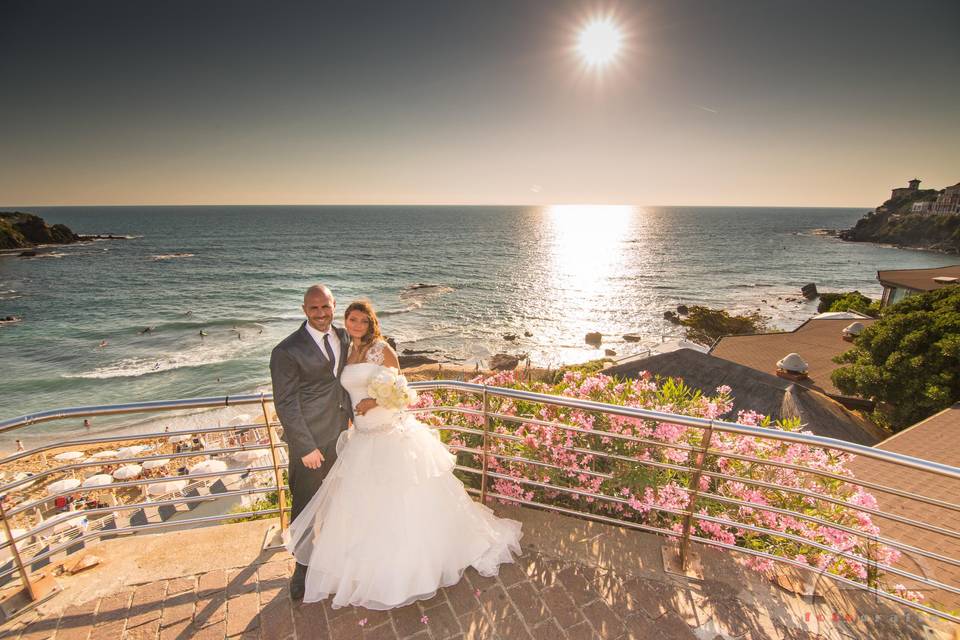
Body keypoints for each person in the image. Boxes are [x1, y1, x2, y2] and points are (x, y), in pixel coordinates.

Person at [284, 300, 521, 610]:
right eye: (351, 319)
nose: (356, 325)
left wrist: (372, 402)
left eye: (362, 321)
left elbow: (401, 394)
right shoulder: (345, 348)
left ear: (371, 323)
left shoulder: (381, 349)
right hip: (361, 437)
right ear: (345, 321)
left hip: (387, 433)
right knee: (362, 501)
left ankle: (408, 566)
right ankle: (362, 563)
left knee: (402, 498)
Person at [270, 284, 351, 601]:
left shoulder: (343, 336)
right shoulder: (287, 350)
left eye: (326, 307)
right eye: (314, 308)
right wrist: (304, 447)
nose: (321, 313)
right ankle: (302, 566)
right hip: (310, 444)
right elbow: (285, 404)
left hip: (340, 438)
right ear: (305, 310)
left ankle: (333, 556)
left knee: (335, 501)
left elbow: (341, 382)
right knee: (305, 503)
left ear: (334, 306)